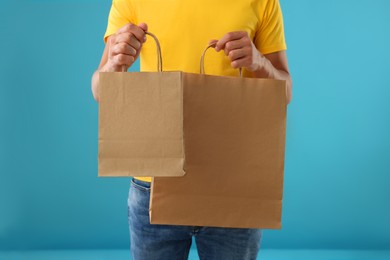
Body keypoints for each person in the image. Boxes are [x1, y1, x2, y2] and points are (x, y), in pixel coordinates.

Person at [91, 0, 292, 259]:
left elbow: (284, 93)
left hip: (233, 184)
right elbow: (100, 89)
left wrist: (259, 63)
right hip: (154, 186)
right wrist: (113, 66)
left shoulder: (263, 2)